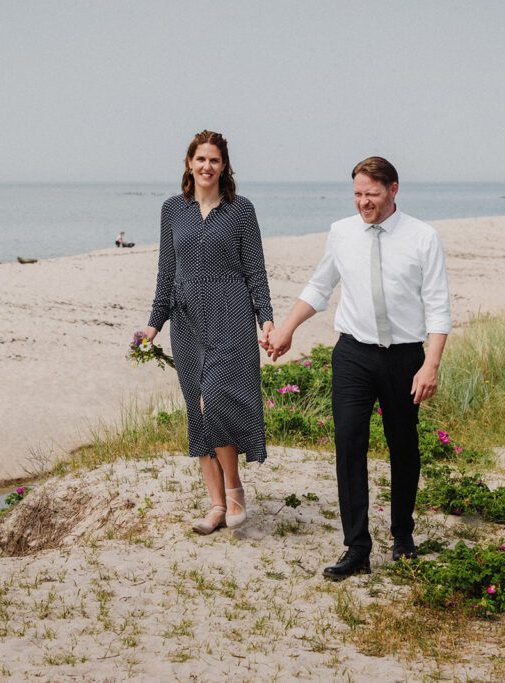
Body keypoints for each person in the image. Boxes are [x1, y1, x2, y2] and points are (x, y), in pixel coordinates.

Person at [267, 156, 451, 579]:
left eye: (372, 194)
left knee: (403, 445)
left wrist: (431, 365)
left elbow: (439, 306)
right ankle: (357, 548)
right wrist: (288, 329)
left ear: (393, 190)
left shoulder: (423, 237)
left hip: (405, 357)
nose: (363, 203)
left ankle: (403, 535)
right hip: (353, 354)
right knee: (349, 443)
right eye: (357, 194)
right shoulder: (341, 232)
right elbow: (320, 285)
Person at [143, 130, 275, 534]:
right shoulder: (172, 210)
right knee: (196, 414)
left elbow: (255, 270)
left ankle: (234, 485)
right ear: (189, 163)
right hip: (186, 323)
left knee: (214, 401)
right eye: (200, 159)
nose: (206, 166)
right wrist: (153, 323)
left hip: (231, 314)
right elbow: (167, 272)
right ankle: (216, 506)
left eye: (214, 160)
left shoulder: (241, 210)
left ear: (224, 167)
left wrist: (265, 317)